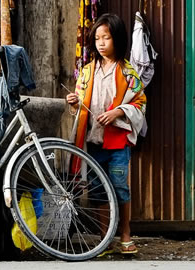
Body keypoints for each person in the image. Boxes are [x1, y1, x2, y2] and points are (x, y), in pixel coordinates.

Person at [66, 13, 147, 255]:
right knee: (99, 190)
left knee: (120, 187)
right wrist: (73, 102)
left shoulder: (128, 72)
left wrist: (118, 113)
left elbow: (140, 103)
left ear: (118, 39)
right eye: (98, 38)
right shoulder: (87, 71)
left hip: (117, 142)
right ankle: (104, 239)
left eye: (107, 38)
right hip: (93, 142)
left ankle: (125, 235)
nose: (101, 43)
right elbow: (80, 103)